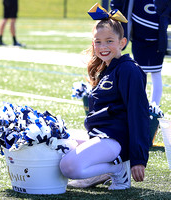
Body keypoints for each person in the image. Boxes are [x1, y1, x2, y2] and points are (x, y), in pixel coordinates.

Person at [59, 3, 150, 190]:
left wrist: (138, 159)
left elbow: (138, 113)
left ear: (122, 42)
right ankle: (104, 171)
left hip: (116, 140)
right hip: (101, 137)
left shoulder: (128, 69)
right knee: (56, 145)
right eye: (98, 41)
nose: (103, 46)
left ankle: (117, 171)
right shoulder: (107, 70)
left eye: (109, 40)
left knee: (68, 167)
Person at [110, 0, 171, 106]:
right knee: (139, 73)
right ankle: (140, 105)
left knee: (156, 73)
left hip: (157, 40)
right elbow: (117, 4)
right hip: (139, 40)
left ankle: (155, 106)